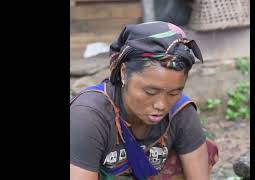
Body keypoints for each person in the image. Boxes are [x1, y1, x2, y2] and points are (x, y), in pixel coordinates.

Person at [70, 21, 218, 180]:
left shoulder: (180, 112)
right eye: (150, 91)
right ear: (124, 72)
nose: (161, 105)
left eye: (174, 93)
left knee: (204, 145)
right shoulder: (89, 115)